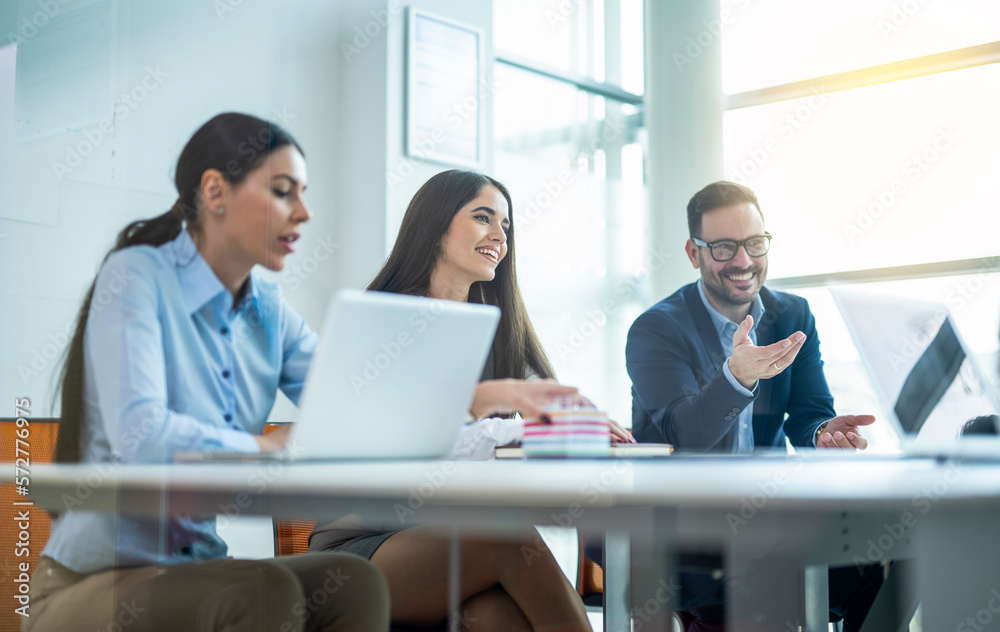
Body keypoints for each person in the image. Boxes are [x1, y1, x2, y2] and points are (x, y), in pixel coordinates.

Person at [29, 113, 389, 632]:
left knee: (355, 582)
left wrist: (472, 399)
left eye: (303, 193)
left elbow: (345, 393)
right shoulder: (136, 277)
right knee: (264, 591)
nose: (305, 213)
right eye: (284, 191)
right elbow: (141, 433)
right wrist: (264, 448)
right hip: (91, 585)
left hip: (192, 570)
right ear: (216, 191)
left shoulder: (266, 305)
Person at [311, 170, 625, 631]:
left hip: (454, 543)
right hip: (362, 546)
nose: (500, 235)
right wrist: (534, 426)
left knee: (495, 617)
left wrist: (587, 425)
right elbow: (430, 444)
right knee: (504, 534)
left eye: (506, 225)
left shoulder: (499, 328)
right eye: (484, 218)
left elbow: (553, 406)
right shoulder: (385, 320)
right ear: (435, 226)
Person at [625, 181, 882, 630]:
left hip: (769, 519)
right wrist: (737, 376)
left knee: (881, 566)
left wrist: (822, 433)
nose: (743, 262)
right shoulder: (656, 330)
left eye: (754, 244)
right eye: (723, 248)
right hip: (686, 534)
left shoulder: (792, 315)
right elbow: (683, 437)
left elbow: (808, 414)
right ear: (694, 253)